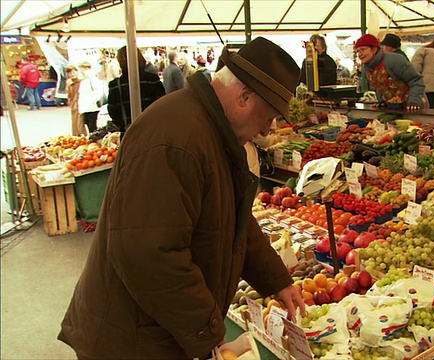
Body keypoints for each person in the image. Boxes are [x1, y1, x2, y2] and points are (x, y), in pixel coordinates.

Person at [58, 37, 305, 359]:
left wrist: (276, 279)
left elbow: (235, 221)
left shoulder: (211, 132)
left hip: (158, 327)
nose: (266, 129)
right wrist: (208, 330)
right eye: (268, 115)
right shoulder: (177, 137)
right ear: (244, 96)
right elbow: (147, 253)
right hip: (132, 339)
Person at [107, 46, 166, 140]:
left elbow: (113, 112)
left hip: (129, 135)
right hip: (154, 133)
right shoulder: (152, 80)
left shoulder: (115, 85)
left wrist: (122, 124)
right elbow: (163, 105)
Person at [355, 34, 425, 110]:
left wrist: (414, 102)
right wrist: (381, 101)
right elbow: (378, 87)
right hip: (393, 109)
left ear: (374, 49)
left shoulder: (395, 60)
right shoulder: (366, 68)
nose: (360, 54)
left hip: (413, 108)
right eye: (358, 51)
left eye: (363, 49)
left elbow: (416, 80)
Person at [77, 61, 103, 134]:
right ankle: (92, 139)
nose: (80, 70)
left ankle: (95, 139)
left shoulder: (92, 78)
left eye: (81, 68)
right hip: (86, 107)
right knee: (88, 125)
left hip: (92, 107)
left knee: (92, 126)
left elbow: (98, 90)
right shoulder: (84, 79)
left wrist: (92, 100)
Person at [65, 65, 84, 136]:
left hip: (82, 104)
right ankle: (76, 136)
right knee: (75, 123)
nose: (72, 74)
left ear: (77, 72)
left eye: (73, 72)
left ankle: (84, 136)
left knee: (82, 122)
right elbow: (68, 94)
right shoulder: (69, 82)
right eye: (70, 73)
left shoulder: (82, 81)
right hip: (74, 105)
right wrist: (70, 102)